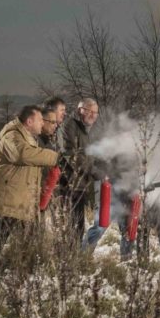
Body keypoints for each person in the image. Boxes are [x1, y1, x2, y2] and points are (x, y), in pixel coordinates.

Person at [0, 104, 61, 258]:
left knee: (27, 240)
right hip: (7, 198)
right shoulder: (12, 137)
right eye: (40, 120)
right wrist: (56, 157)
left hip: (19, 199)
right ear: (29, 122)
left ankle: (20, 273)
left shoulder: (28, 139)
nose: (43, 123)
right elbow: (23, 155)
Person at [60, 98, 99, 241]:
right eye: (88, 111)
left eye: (95, 112)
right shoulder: (70, 125)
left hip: (80, 184)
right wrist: (92, 170)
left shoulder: (87, 130)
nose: (92, 115)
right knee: (73, 225)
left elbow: (89, 155)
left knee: (79, 225)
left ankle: (75, 258)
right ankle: (68, 259)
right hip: (69, 184)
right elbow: (70, 153)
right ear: (80, 110)